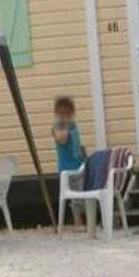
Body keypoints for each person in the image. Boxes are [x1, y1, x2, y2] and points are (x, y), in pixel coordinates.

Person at [52, 96, 86, 226]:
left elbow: (77, 143)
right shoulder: (58, 126)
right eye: (62, 114)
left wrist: (84, 154)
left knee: (82, 191)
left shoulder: (74, 125)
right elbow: (61, 139)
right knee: (74, 194)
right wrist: (63, 130)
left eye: (68, 114)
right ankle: (78, 220)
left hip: (78, 164)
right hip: (67, 167)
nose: (65, 117)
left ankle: (85, 217)